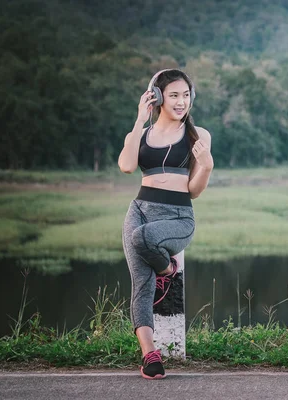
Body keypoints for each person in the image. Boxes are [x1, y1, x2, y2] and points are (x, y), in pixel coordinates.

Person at [118, 69, 213, 379]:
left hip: (178, 217)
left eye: (186, 95)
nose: (181, 101)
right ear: (157, 97)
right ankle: (150, 356)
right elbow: (127, 166)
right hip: (140, 209)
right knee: (141, 286)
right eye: (174, 95)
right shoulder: (140, 135)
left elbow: (194, 191)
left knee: (141, 237)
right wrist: (138, 121)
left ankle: (166, 270)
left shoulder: (197, 134)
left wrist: (207, 167)